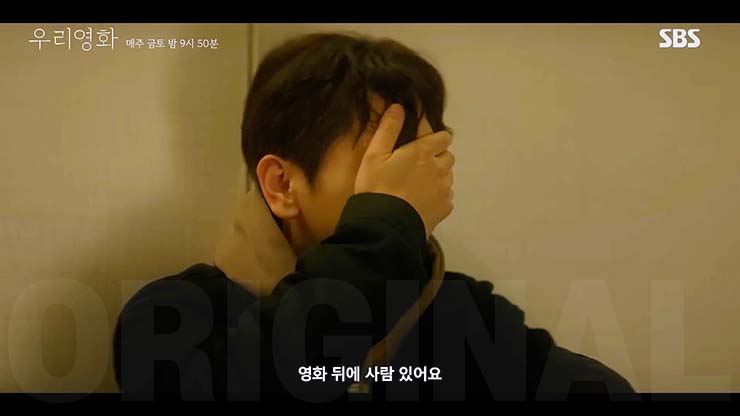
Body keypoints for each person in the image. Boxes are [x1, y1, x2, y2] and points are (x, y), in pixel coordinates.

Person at [113, 32, 635, 401]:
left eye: (425, 154)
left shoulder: (463, 316)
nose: (416, 180)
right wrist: (385, 225)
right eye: (387, 156)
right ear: (283, 185)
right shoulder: (174, 317)